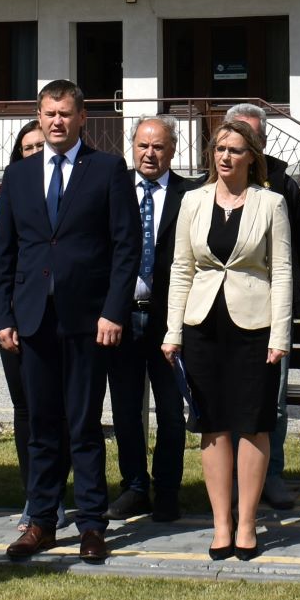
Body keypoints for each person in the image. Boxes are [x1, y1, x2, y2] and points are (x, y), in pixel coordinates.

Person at [0, 79, 139, 564]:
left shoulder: (108, 170)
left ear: (81, 118)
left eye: (65, 114)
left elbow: (125, 247)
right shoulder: (19, 176)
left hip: (88, 320)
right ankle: (41, 520)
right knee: (42, 425)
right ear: (39, 116)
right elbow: (4, 253)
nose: (56, 121)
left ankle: (93, 524)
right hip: (33, 319)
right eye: (48, 114)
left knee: (84, 425)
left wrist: (114, 310)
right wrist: (2, 313)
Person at [163, 118, 293, 560]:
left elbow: (282, 272)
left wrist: (281, 336)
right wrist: (172, 330)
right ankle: (221, 525)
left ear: (251, 156)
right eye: (219, 149)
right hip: (202, 325)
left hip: (254, 328)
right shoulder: (192, 201)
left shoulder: (270, 203)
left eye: (235, 150)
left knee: (253, 424)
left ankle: (248, 525)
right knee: (212, 424)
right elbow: (182, 268)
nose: (225, 157)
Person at [223, 101, 300, 509]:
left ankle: (270, 474)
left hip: (271, 310)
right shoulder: (210, 184)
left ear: (262, 141)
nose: (242, 146)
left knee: (271, 401)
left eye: (252, 138)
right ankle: (229, 482)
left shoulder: (282, 182)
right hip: (222, 310)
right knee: (224, 400)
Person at [105, 116, 193, 523]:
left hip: (168, 322)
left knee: (172, 411)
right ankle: (135, 486)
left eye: (158, 146)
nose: (149, 153)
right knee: (125, 410)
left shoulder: (188, 194)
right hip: (121, 318)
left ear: (172, 150)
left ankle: (168, 489)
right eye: (142, 145)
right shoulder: (114, 187)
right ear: (132, 147)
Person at [0, 119, 47, 510]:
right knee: (25, 408)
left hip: (57, 316)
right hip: (17, 317)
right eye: (29, 148)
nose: (36, 153)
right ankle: (31, 493)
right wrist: (4, 317)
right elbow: (0, 261)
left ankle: (54, 489)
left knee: (59, 412)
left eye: (41, 147)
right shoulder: (12, 192)